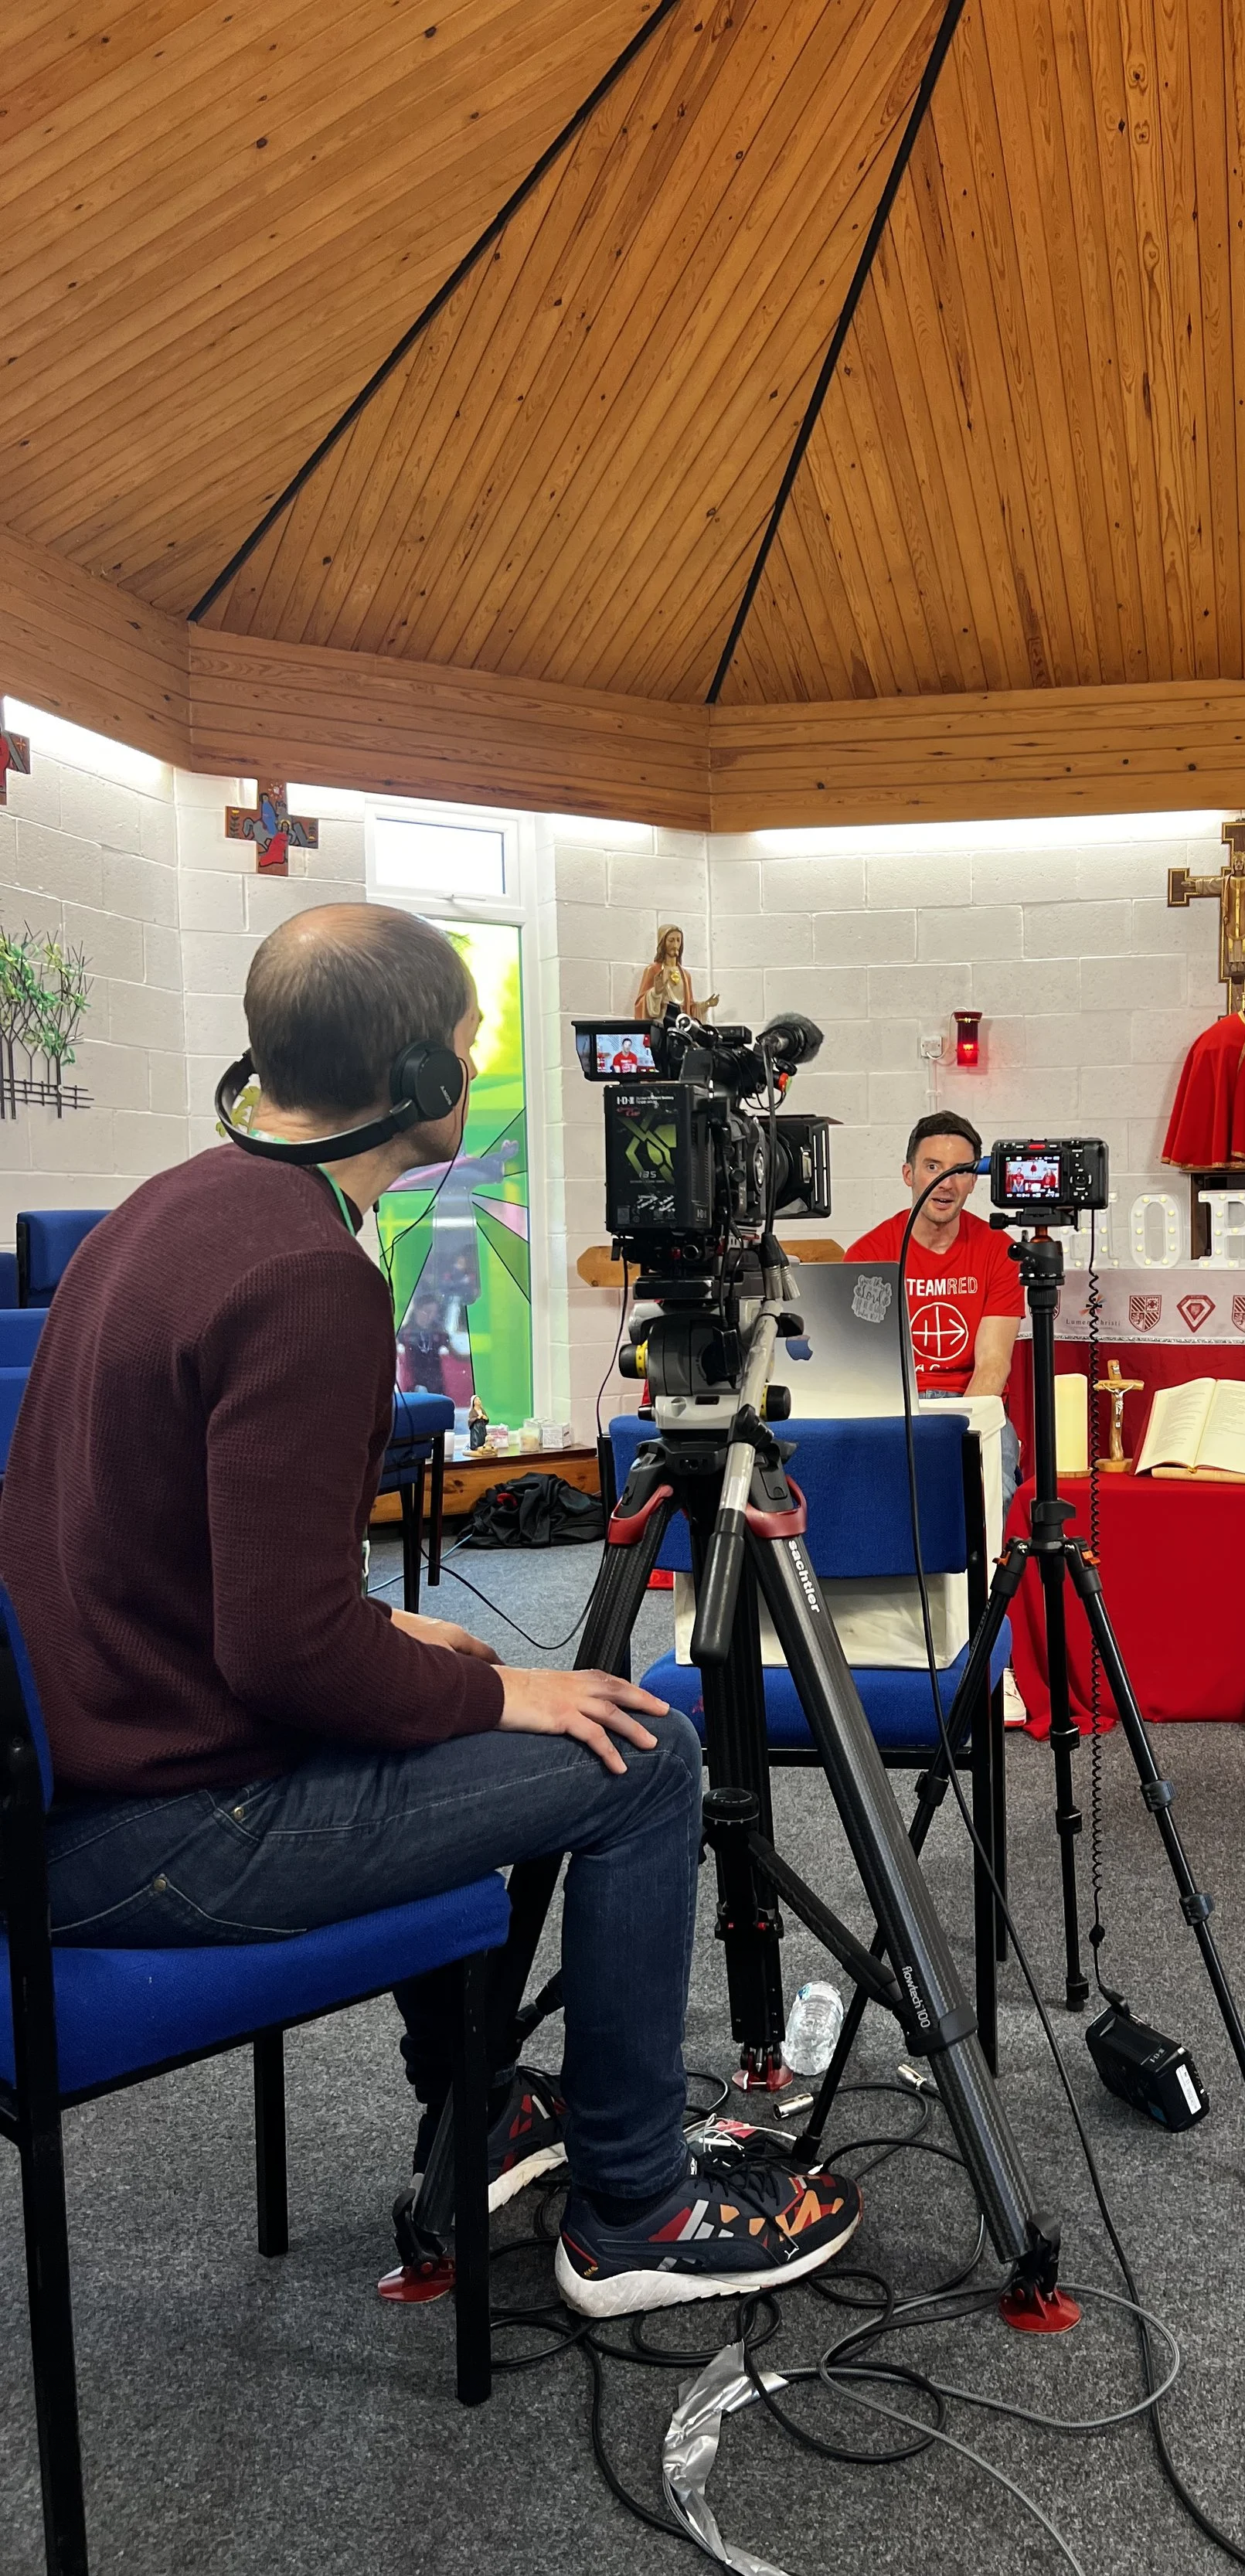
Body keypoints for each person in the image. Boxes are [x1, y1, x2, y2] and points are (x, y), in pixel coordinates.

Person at [0, 903, 858, 2318]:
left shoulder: (170, 1204)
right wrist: (494, 1690)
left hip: (85, 1779)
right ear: (414, 1079)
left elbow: (177, 1552)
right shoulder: (308, 1274)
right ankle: (636, 2208)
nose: (470, 1068)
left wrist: (399, 1644)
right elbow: (287, 1653)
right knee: (647, 1758)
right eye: (465, 1045)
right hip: (159, 1832)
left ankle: (488, 2103)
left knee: (446, 1682)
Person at [845, 1112, 1026, 1499]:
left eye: (960, 1170)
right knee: (876, 1495)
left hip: (974, 1404)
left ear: (973, 1181)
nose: (946, 1182)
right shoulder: (869, 1254)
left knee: (992, 1492)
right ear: (908, 1174)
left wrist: (956, 1436)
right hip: (899, 1406)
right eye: (932, 1167)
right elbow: (864, 1368)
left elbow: (993, 1365)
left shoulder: (1000, 1251)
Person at [631, 924, 717, 1025]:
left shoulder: (685, 975)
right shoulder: (653, 970)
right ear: (663, 943)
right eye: (671, 940)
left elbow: (690, 1008)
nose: (675, 945)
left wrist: (706, 1005)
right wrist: (656, 993)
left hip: (681, 1024)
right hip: (662, 1022)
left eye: (678, 940)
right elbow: (641, 1004)